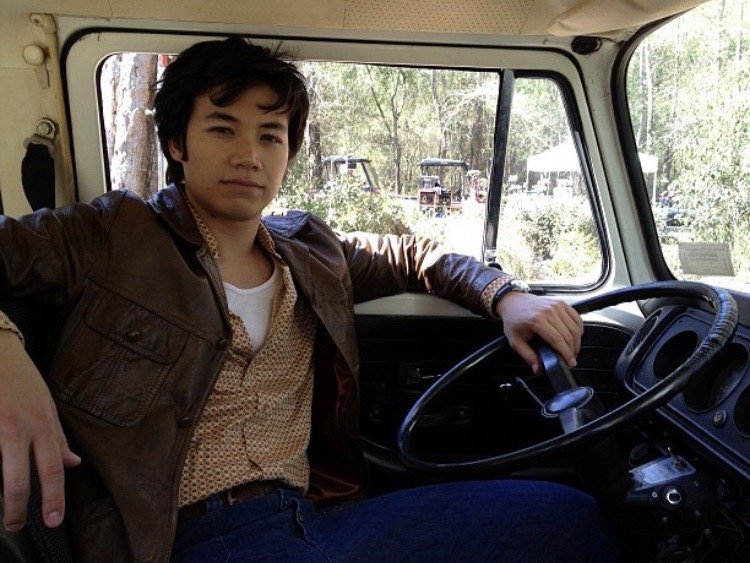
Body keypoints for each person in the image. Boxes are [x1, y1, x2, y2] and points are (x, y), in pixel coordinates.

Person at [0, 37, 619, 562]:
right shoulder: (113, 233)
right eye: (222, 128)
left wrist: (504, 295)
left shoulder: (310, 249)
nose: (249, 155)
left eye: (270, 136)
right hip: (175, 537)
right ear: (177, 144)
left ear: (288, 153)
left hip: (307, 522)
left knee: (568, 516)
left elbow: (415, 255)